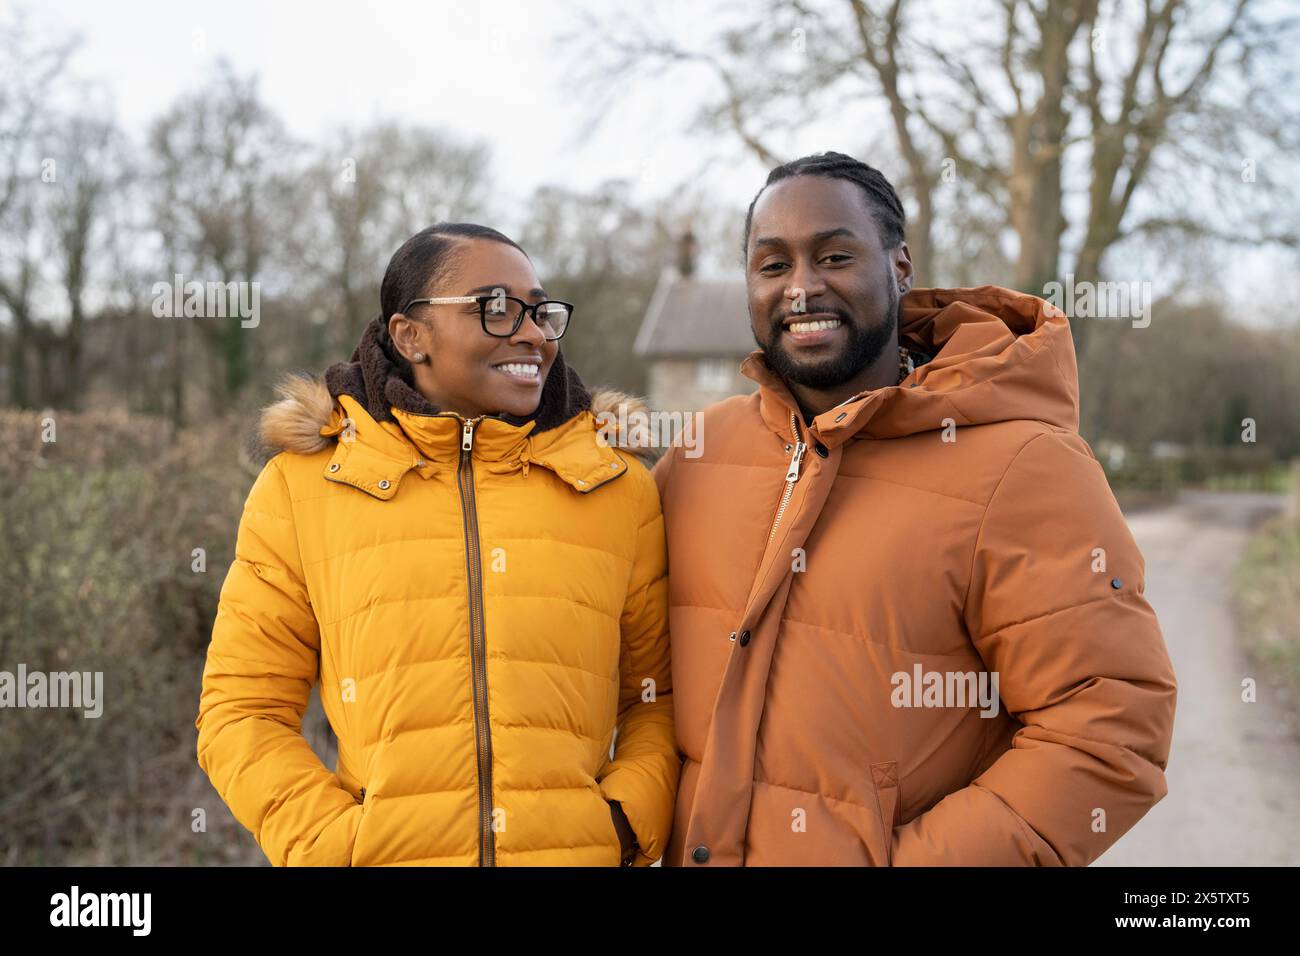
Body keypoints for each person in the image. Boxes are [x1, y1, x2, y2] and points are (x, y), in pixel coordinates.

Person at [653, 151, 1178, 866]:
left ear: (900, 268)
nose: (802, 287)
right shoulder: (698, 453)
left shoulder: (1023, 464)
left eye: (834, 256)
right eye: (772, 265)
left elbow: (1110, 728)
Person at [195, 222, 679, 866]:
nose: (534, 334)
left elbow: (658, 700)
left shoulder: (615, 486)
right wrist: (331, 846)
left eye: (540, 311)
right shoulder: (304, 487)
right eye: (499, 309)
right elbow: (242, 710)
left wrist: (620, 826)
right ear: (410, 335)